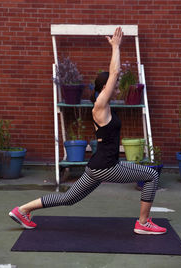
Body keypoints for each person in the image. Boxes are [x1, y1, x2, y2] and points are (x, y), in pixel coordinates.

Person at [9, 27, 167, 235]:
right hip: (106, 166)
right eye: (114, 84)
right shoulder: (100, 105)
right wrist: (116, 47)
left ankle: (22, 210)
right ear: (104, 88)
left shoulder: (104, 105)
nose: (118, 86)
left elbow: (113, 77)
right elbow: (114, 72)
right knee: (151, 176)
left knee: (69, 198)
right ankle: (143, 223)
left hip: (99, 166)